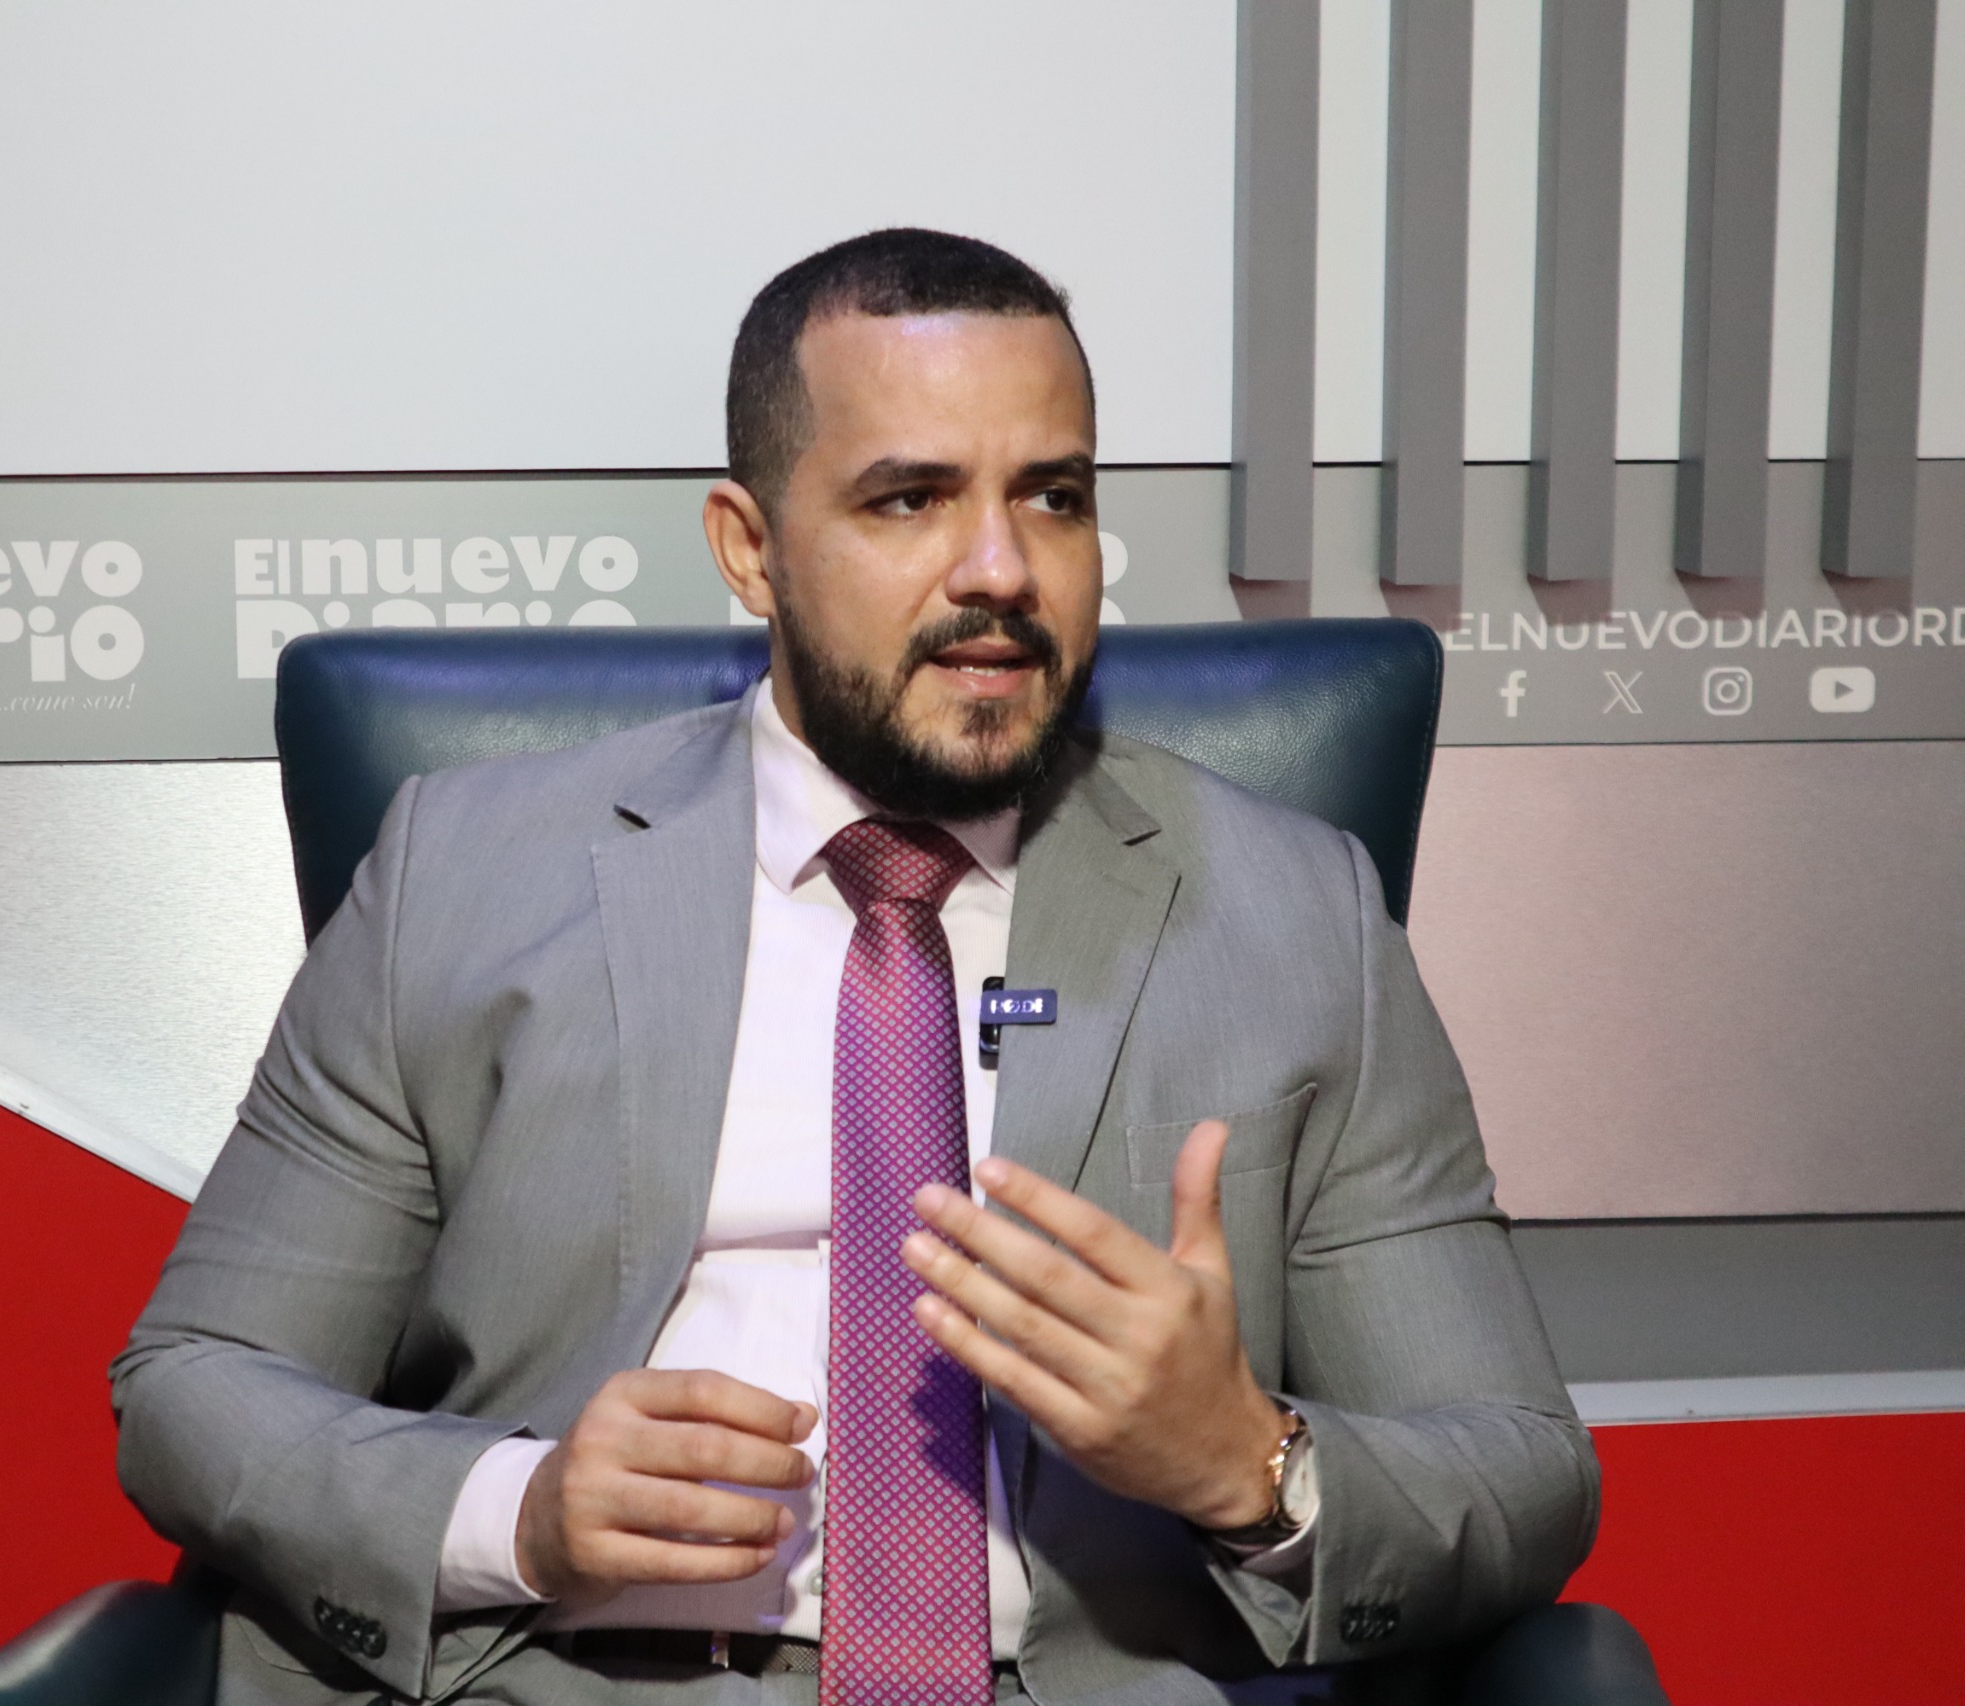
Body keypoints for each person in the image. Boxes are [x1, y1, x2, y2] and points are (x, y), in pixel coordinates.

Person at [112, 229, 1597, 1706]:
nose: (1002, 570)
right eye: (910, 499)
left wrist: (1244, 1461)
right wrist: (523, 1510)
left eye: (1055, 498)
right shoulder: (465, 873)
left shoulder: (1296, 913)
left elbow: (1520, 1470)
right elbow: (195, 1381)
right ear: (750, 548)